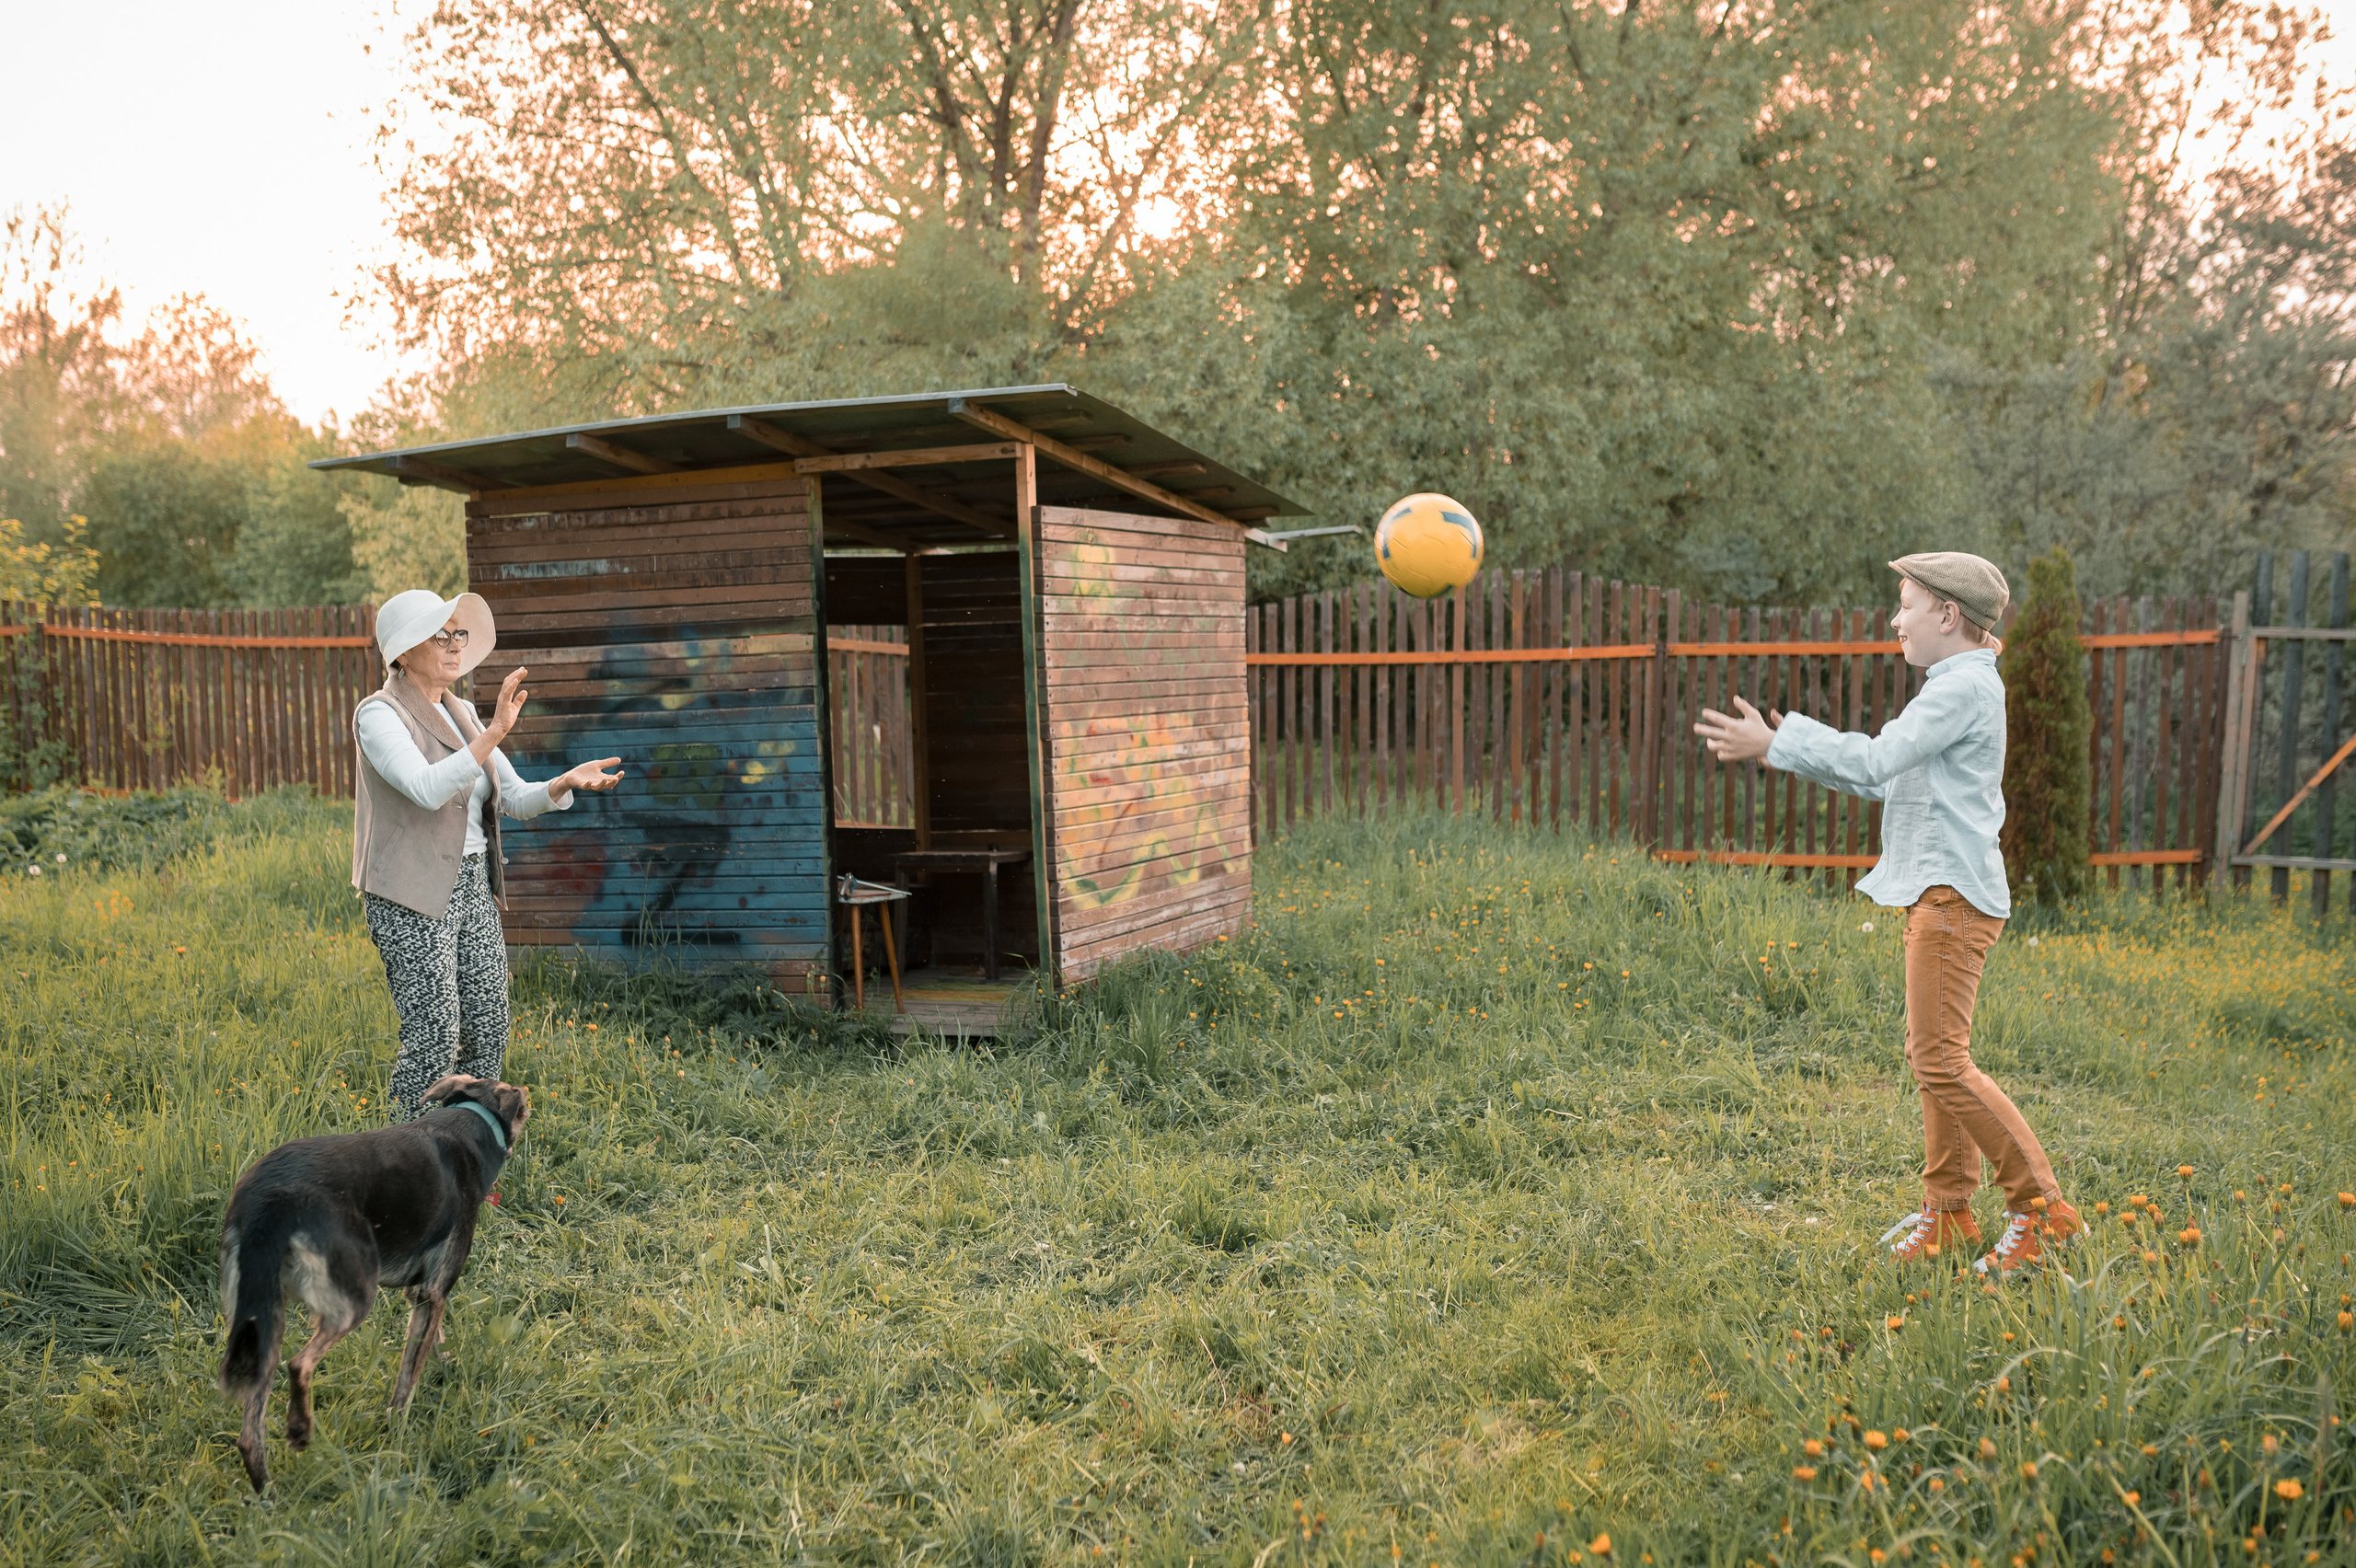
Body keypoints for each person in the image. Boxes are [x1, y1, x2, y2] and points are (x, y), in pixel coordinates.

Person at [1692, 553, 2084, 1276]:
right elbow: (1892, 778)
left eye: (1905, 603)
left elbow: (1875, 761)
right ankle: (1949, 1212)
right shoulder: (1960, 686)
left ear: (1947, 615)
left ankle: (2042, 1210)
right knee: (1933, 1060)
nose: (1894, 619)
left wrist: (1778, 743)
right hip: (1941, 894)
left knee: (1941, 1060)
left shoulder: (1958, 690)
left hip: (1951, 898)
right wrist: (1791, 750)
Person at [353, 589, 623, 1120]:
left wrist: (564, 782)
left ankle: (472, 1151)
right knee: (434, 1034)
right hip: (409, 893)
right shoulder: (378, 715)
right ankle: (407, 1158)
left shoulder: (463, 715)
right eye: (440, 634)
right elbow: (427, 788)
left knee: (488, 1024)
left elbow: (515, 798)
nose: (455, 645)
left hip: (473, 884)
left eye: (458, 634)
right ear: (403, 652)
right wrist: (496, 732)